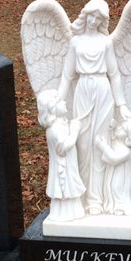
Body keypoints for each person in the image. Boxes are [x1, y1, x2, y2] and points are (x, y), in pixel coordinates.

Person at [55, 0, 131, 216]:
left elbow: (115, 75)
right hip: (82, 90)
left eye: (99, 17)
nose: (94, 20)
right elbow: (66, 76)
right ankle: (80, 196)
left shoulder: (106, 42)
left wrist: (122, 105)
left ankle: (95, 200)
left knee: (99, 144)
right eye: (92, 15)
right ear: (85, 14)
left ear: (102, 20)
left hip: (102, 91)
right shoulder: (75, 43)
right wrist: (58, 103)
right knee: (82, 146)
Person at [38, 91, 86, 221]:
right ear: (52, 108)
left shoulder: (61, 124)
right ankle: (64, 213)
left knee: (71, 185)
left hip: (69, 162)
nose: (64, 102)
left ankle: (73, 211)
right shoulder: (54, 129)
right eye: (60, 101)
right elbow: (62, 148)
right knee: (65, 186)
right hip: (63, 165)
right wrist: (75, 131)